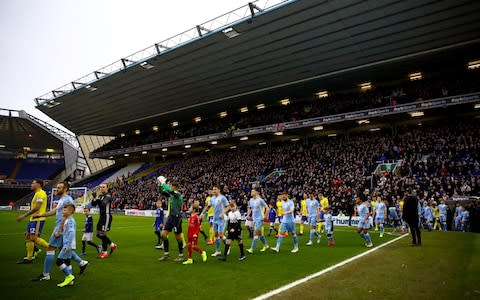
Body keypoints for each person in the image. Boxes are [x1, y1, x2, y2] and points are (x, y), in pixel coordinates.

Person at [32, 181, 88, 281]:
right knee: (64, 249)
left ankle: (46, 275)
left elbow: (69, 214)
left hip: (61, 227)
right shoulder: (62, 199)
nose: (57, 189)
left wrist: (60, 229)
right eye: (57, 187)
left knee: (50, 248)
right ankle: (81, 263)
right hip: (61, 226)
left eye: (59, 188)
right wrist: (41, 215)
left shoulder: (68, 199)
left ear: (65, 189)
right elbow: (55, 212)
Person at [16, 178, 49, 264]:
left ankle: (51, 248)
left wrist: (24, 215)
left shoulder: (41, 193)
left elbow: (37, 208)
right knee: (28, 236)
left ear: (38, 184)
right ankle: (29, 257)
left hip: (38, 219)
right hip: (33, 219)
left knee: (33, 238)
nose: (31, 184)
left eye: (33, 183)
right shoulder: (37, 193)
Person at [157, 176, 185, 262]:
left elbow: (169, 190)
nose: (170, 187)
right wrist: (159, 185)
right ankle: (166, 254)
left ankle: (181, 255)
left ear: (175, 187)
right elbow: (161, 192)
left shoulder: (178, 195)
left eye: (171, 186)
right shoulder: (172, 195)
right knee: (163, 235)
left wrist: (163, 183)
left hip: (177, 218)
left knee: (177, 237)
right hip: (170, 217)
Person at [91, 184, 118, 259]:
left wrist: (96, 198)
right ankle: (112, 245)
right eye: (100, 187)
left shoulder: (108, 196)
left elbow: (103, 204)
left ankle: (105, 251)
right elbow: (93, 204)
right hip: (102, 216)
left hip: (106, 217)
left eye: (103, 187)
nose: (101, 188)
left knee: (102, 234)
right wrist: (94, 197)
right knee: (99, 234)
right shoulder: (100, 196)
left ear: (107, 188)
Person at [201, 185, 229, 257]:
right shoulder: (212, 198)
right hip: (215, 219)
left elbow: (228, 206)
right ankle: (218, 251)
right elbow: (207, 206)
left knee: (220, 234)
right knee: (216, 235)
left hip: (222, 219)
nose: (213, 191)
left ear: (219, 190)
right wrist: (202, 213)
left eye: (215, 189)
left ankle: (228, 245)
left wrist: (223, 213)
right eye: (213, 189)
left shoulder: (222, 198)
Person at [55, 203, 77, 287]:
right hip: (68, 244)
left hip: (68, 245)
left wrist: (67, 245)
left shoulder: (70, 221)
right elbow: (67, 232)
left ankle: (69, 276)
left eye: (65, 210)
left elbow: (71, 233)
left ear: (71, 211)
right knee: (67, 261)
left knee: (59, 261)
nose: (63, 211)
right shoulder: (68, 219)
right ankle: (70, 281)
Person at [246, 187, 269, 254]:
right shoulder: (251, 200)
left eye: (253, 191)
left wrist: (265, 216)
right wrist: (248, 215)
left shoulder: (260, 200)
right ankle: (266, 245)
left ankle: (251, 249)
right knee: (260, 233)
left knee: (255, 233)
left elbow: (267, 208)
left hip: (260, 219)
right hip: (254, 219)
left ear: (257, 192)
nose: (251, 192)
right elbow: (250, 208)